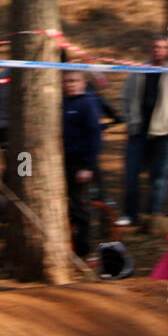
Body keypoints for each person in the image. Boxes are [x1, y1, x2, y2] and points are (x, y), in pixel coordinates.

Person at [117, 37, 168, 228]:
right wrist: (129, 119)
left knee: (159, 177)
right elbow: (125, 97)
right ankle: (130, 214)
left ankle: (154, 214)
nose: (158, 50)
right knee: (131, 175)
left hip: (164, 134)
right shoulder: (137, 71)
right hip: (137, 132)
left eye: (163, 48)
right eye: (155, 47)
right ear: (150, 49)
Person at [62, 70, 104, 256]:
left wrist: (87, 166)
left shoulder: (87, 103)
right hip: (65, 160)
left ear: (83, 82)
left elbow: (94, 136)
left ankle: (84, 250)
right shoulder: (63, 103)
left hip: (81, 162)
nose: (70, 84)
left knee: (81, 207)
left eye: (74, 81)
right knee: (68, 204)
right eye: (67, 81)